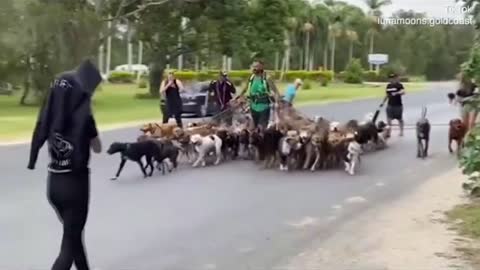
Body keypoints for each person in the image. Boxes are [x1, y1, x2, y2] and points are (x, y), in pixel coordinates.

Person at [27, 59, 103, 270]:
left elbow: (39, 129)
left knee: (74, 237)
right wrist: (90, 121)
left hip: (54, 186)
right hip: (75, 187)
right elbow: (97, 147)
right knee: (68, 248)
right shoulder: (84, 117)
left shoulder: (52, 118)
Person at [236, 60, 280, 128]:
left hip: (264, 107)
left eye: (256, 66)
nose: (254, 68)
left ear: (261, 67)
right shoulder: (251, 78)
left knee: (261, 128)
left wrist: (277, 103)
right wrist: (238, 98)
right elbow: (244, 89)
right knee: (253, 128)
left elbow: (276, 92)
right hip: (253, 107)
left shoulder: (267, 78)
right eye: (253, 66)